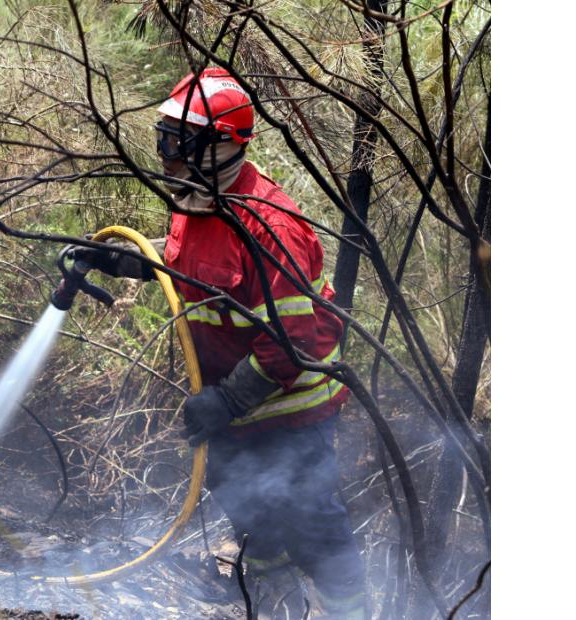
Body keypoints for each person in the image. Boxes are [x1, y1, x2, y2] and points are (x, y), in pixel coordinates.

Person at [74, 67, 367, 619]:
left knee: (313, 528)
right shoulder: (198, 201)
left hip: (290, 410)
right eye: (164, 138)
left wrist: (227, 399)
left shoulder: (269, 226)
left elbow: (290, 341)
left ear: (220, 146)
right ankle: (275, 607)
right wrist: (116, 260)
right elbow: (186, 265)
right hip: (232, 408)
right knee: (252, 520)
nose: (166, 154)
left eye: (178, 141)